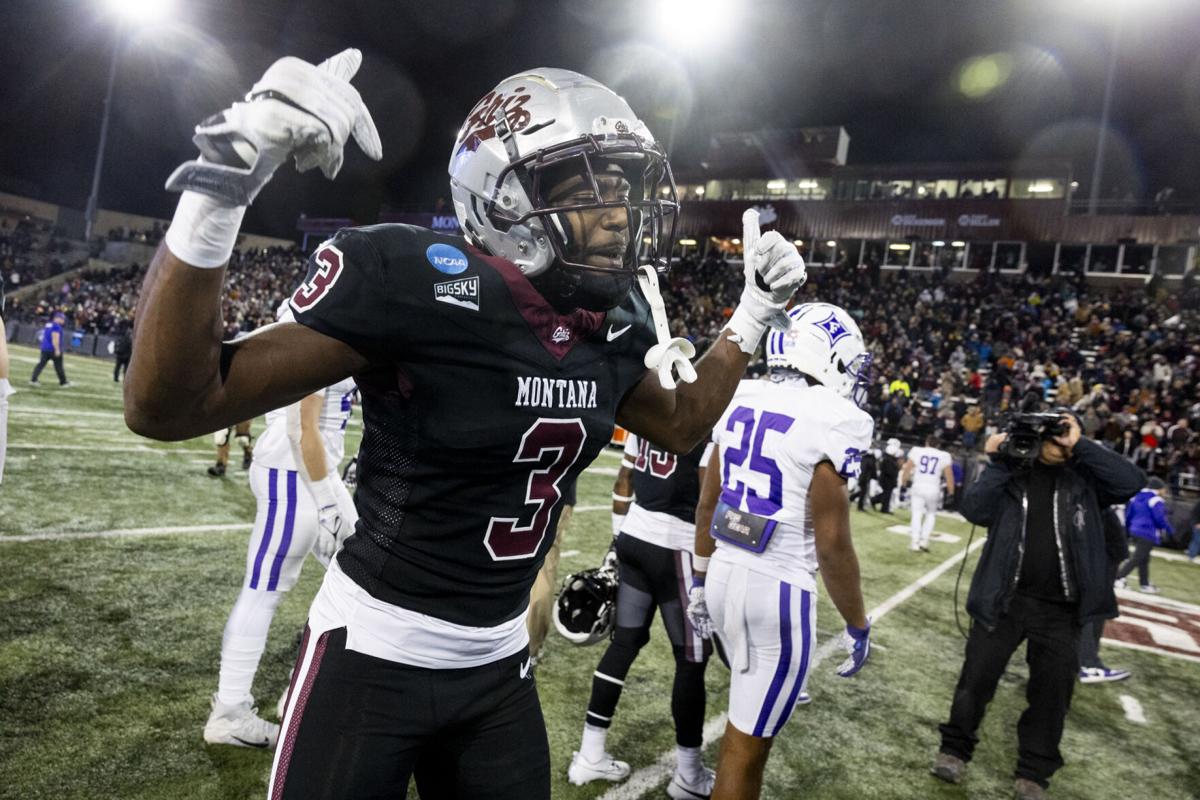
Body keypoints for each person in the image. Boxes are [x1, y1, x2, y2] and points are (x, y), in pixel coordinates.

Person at [124, 51, 807, 800]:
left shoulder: (612, 321)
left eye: (622, 184)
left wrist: (752, 316)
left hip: (497, 665)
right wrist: (225, 184)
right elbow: (168, 404)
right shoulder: (416, 278)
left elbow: (679, 427)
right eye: (587, 185)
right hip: (373, 649)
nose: (618, 209)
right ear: (504, 198)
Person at [688, 303, 874, 800]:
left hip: (725, 572)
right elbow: (833, 546)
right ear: (828, 356)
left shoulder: (740, 393)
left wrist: (699, 579)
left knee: (739, 730)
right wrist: (857, 622)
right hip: (779, 589)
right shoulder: (834, 417)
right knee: (748, 751)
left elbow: (708, 502)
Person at [931, 412, 1144, 800]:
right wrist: (999, 461)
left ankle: (1032, 774)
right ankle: (954, 751)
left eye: (1061, 435)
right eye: (1050, 436)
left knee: (1051, 695)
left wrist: (1080, 443)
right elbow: (975, 510)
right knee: (975, 681)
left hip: (1062, 609)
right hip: (1004, 600)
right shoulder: (1011, 475)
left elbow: (1132, 482)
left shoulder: (1086, 479)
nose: (1056, 443)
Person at [205, 356, 357, 750]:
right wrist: (325, 500)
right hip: (296, 473)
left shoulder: (328, 307)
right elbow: (299, 425)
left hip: (312, 470)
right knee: (263, 590)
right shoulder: (318, 315)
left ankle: (303, 691)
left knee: (363, 578)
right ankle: (230, 713)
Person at [568, 433, 713, 798]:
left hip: (634, 534)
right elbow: (706, 506)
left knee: (625, 642)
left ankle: (590, 754)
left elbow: (624, 479)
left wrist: (617, 541)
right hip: (677, 547)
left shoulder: (651, 414)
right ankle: (690, 776)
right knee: (691, 660)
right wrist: (703, 574)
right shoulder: (707, 420)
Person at [1078, 508, 1132, 684]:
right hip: (1096, 557)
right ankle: (1087, 664)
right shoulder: (1090, 494)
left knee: (1094, 611)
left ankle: (1084, 661)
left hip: (1102, 556)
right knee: (1089, 611)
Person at [1115, 477, 1174, 594]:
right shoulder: (1156, 500)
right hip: (1148, 531)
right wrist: (1169, 530)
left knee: (1143, 558)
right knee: (1138, 557)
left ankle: (1144, 584)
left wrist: (1129, 528)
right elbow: (1159, 518)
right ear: (1158, 488)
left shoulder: (1136, 497)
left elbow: (1129, 514)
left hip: (1135, 529)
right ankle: (1118, 577)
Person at [900, 434, 955, 552]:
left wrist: (904, 483)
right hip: (933, 488)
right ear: (938, 445)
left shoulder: (917, 451)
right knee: (931, 514)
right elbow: (949, 475)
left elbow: (907, 468)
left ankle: (915, 542)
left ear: (926, 442)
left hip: (918, 485)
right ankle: (924, 541)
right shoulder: (944, 455)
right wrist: (951, 492)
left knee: (916, 513)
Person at [29, 310, 70, 387]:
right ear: (57, 318)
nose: (63, 321)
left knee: (40, 364)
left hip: (45, 348)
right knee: (59, 367)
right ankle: (63, 382)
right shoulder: (56, 326)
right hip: (52, 349)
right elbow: (55, 338)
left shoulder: (48, 324)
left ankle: (33, 379)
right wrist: (57, 349)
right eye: (62, 319)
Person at [873, 437, 902, 513]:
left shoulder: (889, 458)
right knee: (887, 494)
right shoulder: (888, 459)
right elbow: (889, 471)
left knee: (887, 494)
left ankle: (880, 505)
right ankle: (877, 503)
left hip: (888, 478)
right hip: (887, 479)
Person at [1187, 498, 1200, 563]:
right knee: (1197, 540)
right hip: (1197, 524)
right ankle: (1191, 555)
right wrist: (1197, 523)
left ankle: (1191, 554)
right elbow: (1195, 513)